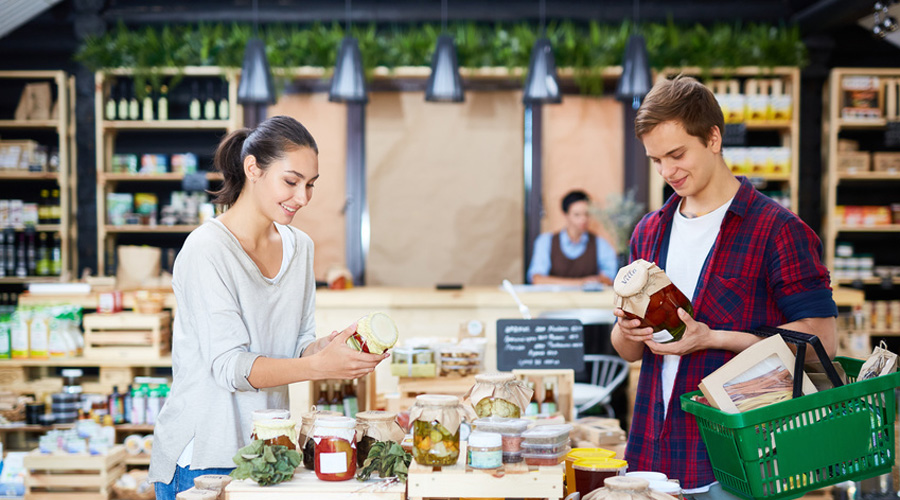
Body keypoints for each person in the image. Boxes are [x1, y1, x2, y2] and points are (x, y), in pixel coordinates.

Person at [610, 76, 837, 500]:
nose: (667, 171)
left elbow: (822, 343)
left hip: (740, 457)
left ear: (713, 138)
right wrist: (627, 331)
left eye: (677, 154)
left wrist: (711, 338)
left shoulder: (778, 231)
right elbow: (627, 352)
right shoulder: (649, 232)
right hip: (654, 451)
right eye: (656, 160)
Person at [148, 116, 388, 499]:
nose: (303, 197)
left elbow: (296, 347)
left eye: (310, 185)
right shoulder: (207, 249)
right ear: (252, 168)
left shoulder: (300, 248)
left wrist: (332, 347)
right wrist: (317, 366)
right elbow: (230, 367)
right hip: (203, 457)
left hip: (268, 452)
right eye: (291, 182)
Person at [527, 190, 618, 286]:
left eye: (587, 214)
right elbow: (537, 279)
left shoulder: (600, 244)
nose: (583, 219)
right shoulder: (546, 242)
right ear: (565, 215)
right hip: (554, 300)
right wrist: (581, 283)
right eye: (577, 215)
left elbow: (610, 279)